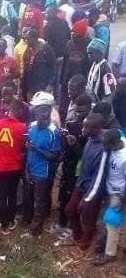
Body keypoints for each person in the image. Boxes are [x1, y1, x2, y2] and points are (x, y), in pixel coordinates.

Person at [64, 113, 107, 250]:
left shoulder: (103, 149)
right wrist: (75, 145)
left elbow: (98, 177)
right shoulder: (91, 140)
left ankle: (86, 240)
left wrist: (87, 198)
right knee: (70, 210)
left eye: (86, 127)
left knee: (88, 216)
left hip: (93, 189)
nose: (83, 130)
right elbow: (84, 157)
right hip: (82, 183)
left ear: (97, 128)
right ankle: (78, 235)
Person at [23, 95, 62, 236]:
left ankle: (36, 230)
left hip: (43, 172)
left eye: (44, 110)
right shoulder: (31, 127)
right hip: (30, 169)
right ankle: (29, 222)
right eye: (38, 110)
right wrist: (26, 169)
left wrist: (37, 150)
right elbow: (28, 148)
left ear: (49, 111)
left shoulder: (54, 132)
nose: (41, 114)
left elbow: (55, 156)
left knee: (39, 201)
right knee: (29, 198)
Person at [55, 93, 92, 236]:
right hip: (68, 166)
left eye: (81, 111)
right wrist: (63, 138)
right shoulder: (72, 124)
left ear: (90, 108)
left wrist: (75, 144)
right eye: (76, 111)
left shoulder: (92, 129)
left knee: (74, 200)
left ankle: (72, 228)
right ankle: (61, 223)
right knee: (63, 194)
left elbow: (85, 156)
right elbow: (66, 148)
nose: (78, 115)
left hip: (81, 171)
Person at [0, 99, 27, 235]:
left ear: (9, 110)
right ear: (18, 111)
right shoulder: (22, 127)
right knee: (12, 195)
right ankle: (11, 221)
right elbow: (23, 147)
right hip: (15, 167)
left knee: (1, 196)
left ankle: (4, 225)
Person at [93, 129, 126, 265]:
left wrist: (122, 200)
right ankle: (104, 246)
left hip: (119, 193)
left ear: (114, 143)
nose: (102, 147)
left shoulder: (123, 158)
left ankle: (110, 254)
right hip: (109, 189)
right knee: (106, 219)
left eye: (105, 144)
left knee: (112, 221)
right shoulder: (118, 141)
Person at [61, 20, 91, 117]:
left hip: (78, 82)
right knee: (66, 106)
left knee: (77, 107)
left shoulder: (88, 45)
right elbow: (65, 62)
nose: (72, 33)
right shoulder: (70, 44)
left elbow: (89, 65)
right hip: (70, 81)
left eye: (74, 32)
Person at [22, 28, 56, 101]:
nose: (27, 42)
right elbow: (25, 71)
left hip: (43, 87)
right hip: (30, 88)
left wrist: (50, 84)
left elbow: (53, 68)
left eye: (28, 39)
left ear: (35, 39)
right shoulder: (27, 52)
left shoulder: (46, 50)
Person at [86, 38, 116, 102]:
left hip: (99, 103)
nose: (89, 55)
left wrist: (103, 105)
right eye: (88, 53)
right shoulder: (94, 64)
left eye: (91, 53)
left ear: (99, 53)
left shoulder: (105, 69)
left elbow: (111, 91)